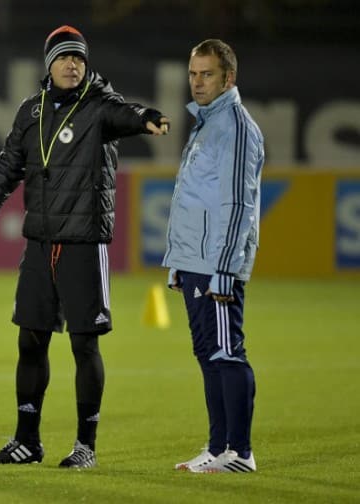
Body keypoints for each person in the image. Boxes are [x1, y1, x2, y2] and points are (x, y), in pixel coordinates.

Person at [0, 25, 170, 469]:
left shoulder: (100, 108)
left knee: (84, 346)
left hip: (83, 244)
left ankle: (85, 446)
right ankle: (26, 442)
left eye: (79, 58)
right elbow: (7, 167)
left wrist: (145, 115)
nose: (72, 64)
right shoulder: (30, 112)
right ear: (48, 64)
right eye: (64, 57)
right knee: (30, 342)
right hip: (40, 244)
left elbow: (125, 114)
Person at [162, 39, 264, 473]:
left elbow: (237, 204)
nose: (197, 82)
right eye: (193, 73)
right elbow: (195, 199)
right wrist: (178, 262)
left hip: (216, 264)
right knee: (208, 352)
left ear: (229, 78)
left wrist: (224, 267)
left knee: (226, 353)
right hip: (195, 262)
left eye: (207, 74)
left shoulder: (237, 127)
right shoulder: (208, 124)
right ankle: (218, 446)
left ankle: (239, 452)